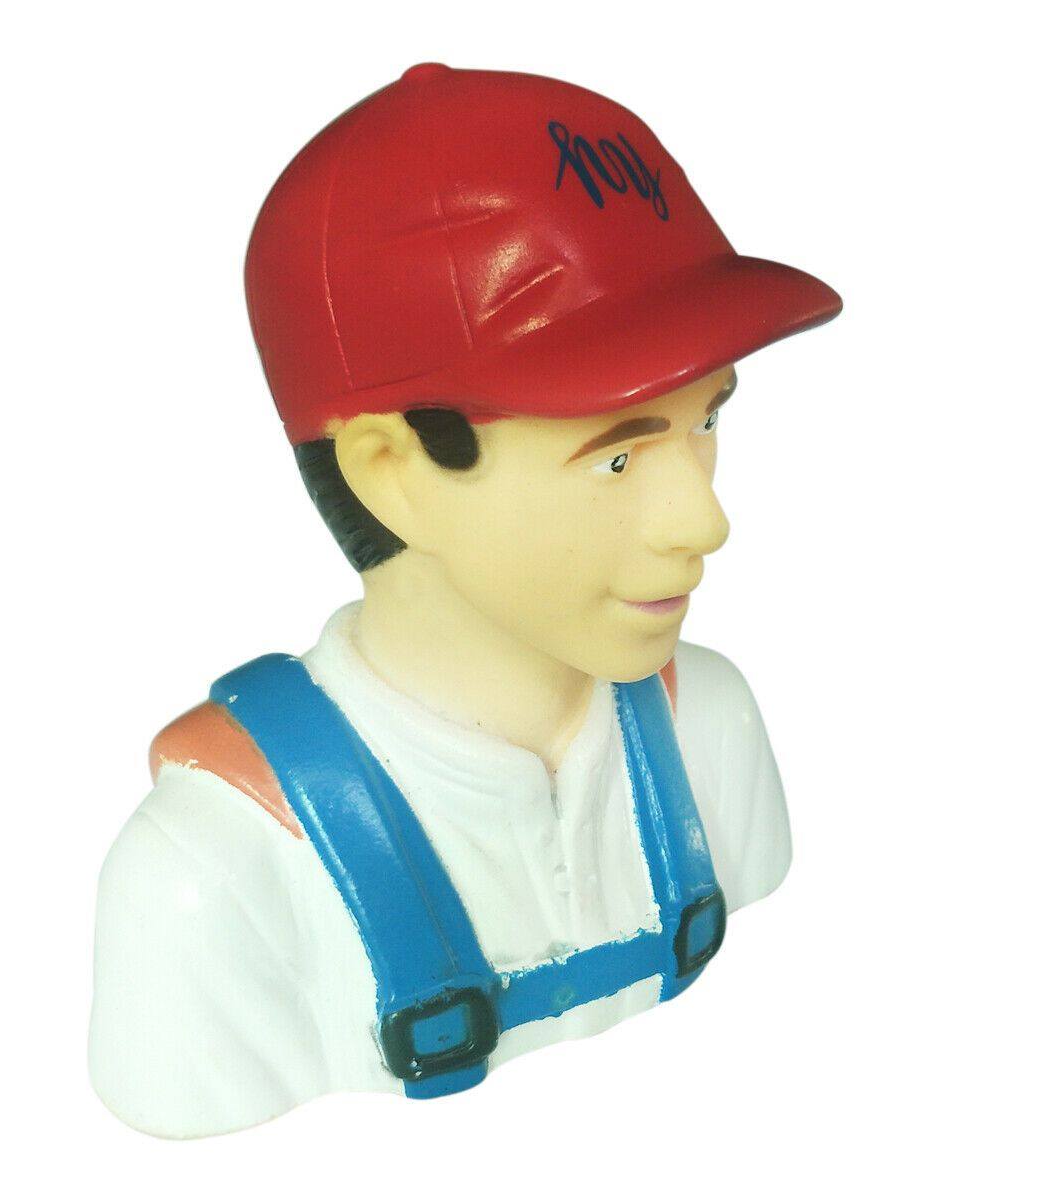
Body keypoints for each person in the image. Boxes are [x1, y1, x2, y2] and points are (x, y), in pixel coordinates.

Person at [88, 63, 841, 1138]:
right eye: (617, 458)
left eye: (707, 421)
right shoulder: (214, 875)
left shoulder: (706, 726)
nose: (705, 521)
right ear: (391, 471)